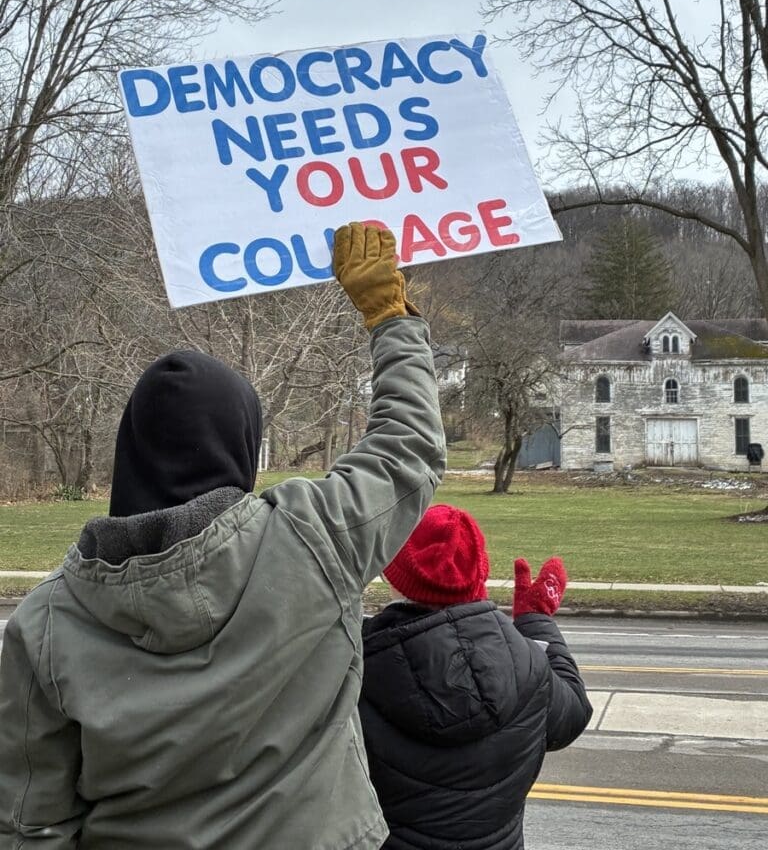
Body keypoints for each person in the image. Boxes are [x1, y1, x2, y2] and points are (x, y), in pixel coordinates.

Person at [0, 223, 446, 850]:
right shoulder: (312, 536)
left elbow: (28, 823)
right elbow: (410, 448)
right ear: (240, 445)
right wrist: (389, 316)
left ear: (130, 450)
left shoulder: (45, 624)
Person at [360, 503, 593, 850]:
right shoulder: (528, 661)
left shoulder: (357, 666)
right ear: (478, 573)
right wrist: (536, 620)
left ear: (393, 576)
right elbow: (573, 714)